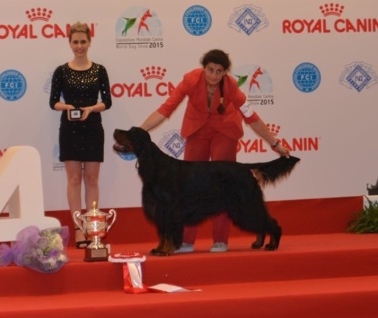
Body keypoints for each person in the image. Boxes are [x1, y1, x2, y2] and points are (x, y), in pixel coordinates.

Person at [140, 49, 290, 253]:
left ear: (225, 73)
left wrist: (274, 143)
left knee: (222, 184)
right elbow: (166, 109)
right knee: (188, 186)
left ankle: (220, 240)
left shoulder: (232, 88)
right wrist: (140, 132)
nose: (213, 75)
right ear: (204, 68)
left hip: (224, 130)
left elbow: (251, 118)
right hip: (197, 130)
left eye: (219, 71)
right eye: (210, 70)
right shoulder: (191, 80)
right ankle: (185, 241)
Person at [49, 22, 112, 248]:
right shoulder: (61, 70)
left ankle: (91, 227)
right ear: (69, 43)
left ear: (89, 42)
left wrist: (90, 109)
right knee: (74, 179)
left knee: (92, 179)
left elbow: (107, 102)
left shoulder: (100, 70)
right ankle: (77, 229)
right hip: (70, 129)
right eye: (75, 42)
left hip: (93, 127)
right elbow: (53, 102)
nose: (79, 46)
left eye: (83, 41)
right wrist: (68, 108)